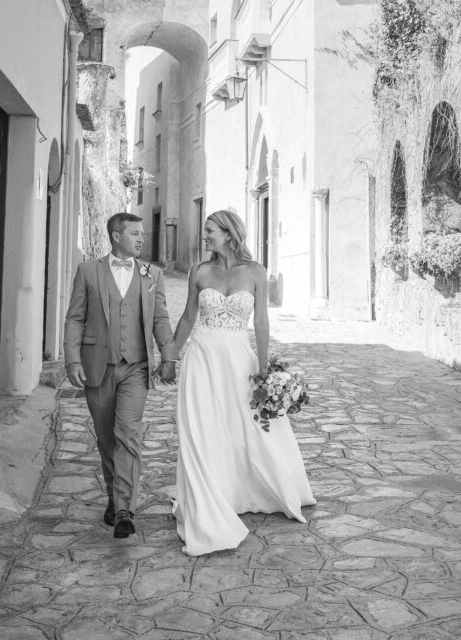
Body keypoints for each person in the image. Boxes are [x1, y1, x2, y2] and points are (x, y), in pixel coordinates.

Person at [172, 209, 315, 556]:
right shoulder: (200, 271)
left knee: (244, 427)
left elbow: (262, 322)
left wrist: (264, 369)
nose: (204, 236)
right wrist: (169, 356)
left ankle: (243, 489)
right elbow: (189, 316)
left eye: (209, 230)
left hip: (238, 359)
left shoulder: (255, 272)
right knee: (200, 426)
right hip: (202, 359)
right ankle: (208, 493)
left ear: (229, 233)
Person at [64, 212, 177, 539]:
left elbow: (161, 318)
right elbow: (75, 318)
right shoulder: (88, 271)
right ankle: (115, 499)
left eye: (142, 234)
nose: (141, 239)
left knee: (128, 434)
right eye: (135, 234)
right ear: (116, 236)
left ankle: (125, 508)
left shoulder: (152, 274)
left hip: (136, 368)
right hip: (97, 367)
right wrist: (72, 360)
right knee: (107, 439)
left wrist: (168, 355)